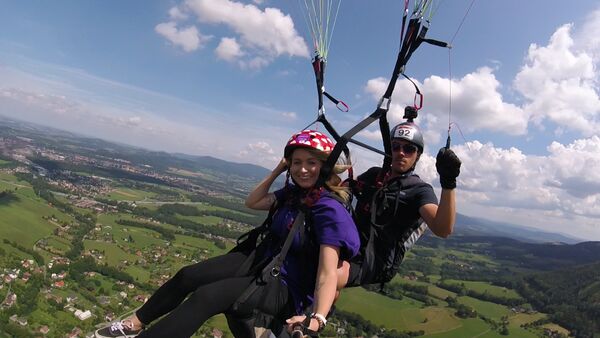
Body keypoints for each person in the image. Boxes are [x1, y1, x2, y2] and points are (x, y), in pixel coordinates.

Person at [95, 129, 360, 338]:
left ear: (326, 167)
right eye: (296, 162)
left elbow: (328, 273)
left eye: (311, 163)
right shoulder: (294, 194)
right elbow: (253, 202)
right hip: (264, 261)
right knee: (189, 276)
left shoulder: (329, 210)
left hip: (288, 286)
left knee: (207, 297)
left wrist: (318, 318)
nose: (302, 169)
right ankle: (136, 323)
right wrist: (277, 170)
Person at [340, 119, 461, 288]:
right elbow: (340, 191)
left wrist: (448, 183)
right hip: (349, 244)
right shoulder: (374, 175)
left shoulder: (419, 190)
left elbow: (443, 229)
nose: (401, 152)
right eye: (395, 147)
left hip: (375, 261)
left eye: (409, 149)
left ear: (417, 155)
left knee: (323, 274)